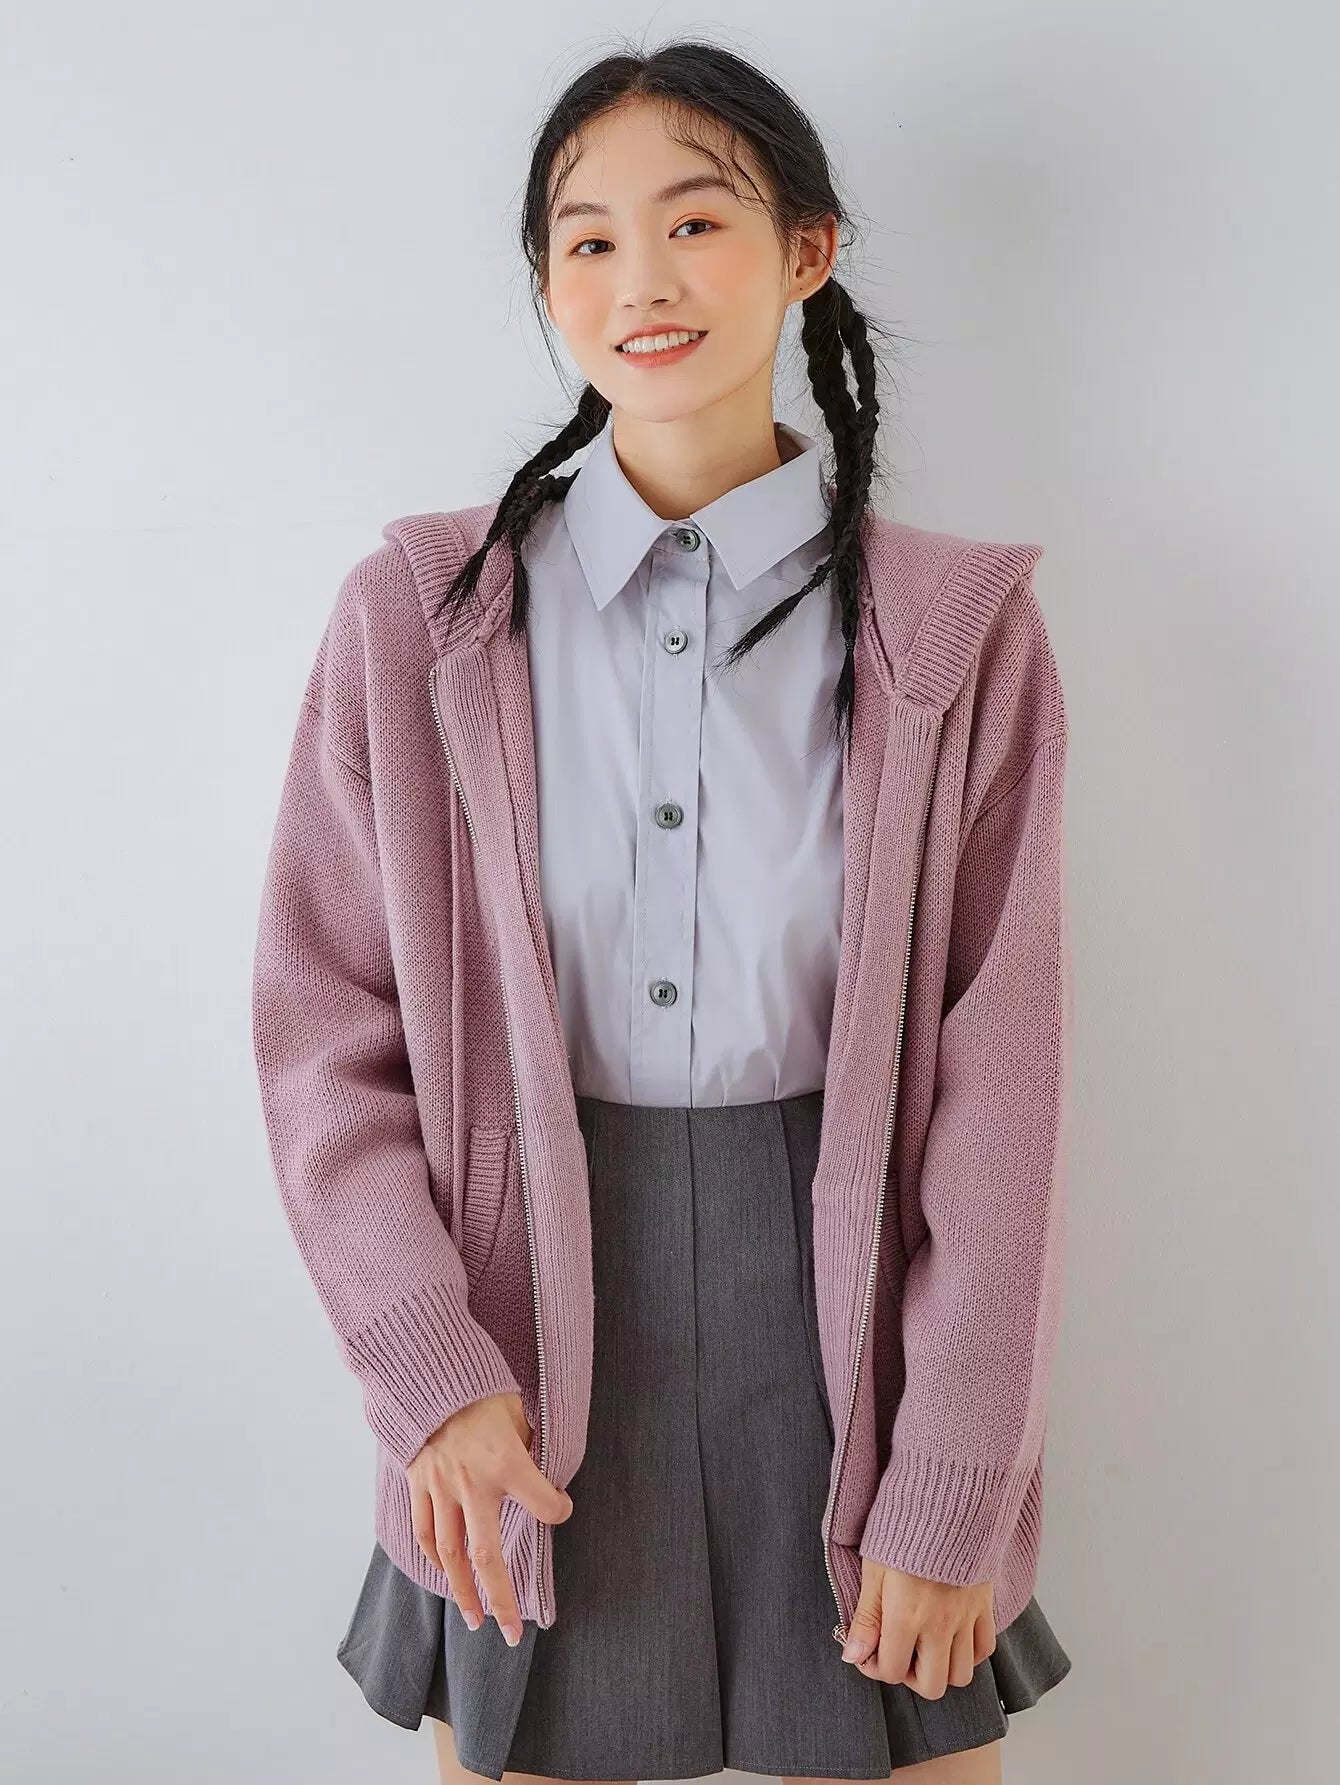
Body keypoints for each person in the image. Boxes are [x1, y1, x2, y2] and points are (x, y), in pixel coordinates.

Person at [251, 36, 1074, 1785]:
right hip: (518, 1324)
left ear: (806, 251)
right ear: (548, 284)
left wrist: (954, 1468)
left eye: (696, 222)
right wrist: (430, 1367)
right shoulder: (421, 618)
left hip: (857, 1327)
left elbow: (1003, 1092)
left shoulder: (952, 639)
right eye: (589, 240)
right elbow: (325, 1034)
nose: (641, 280)